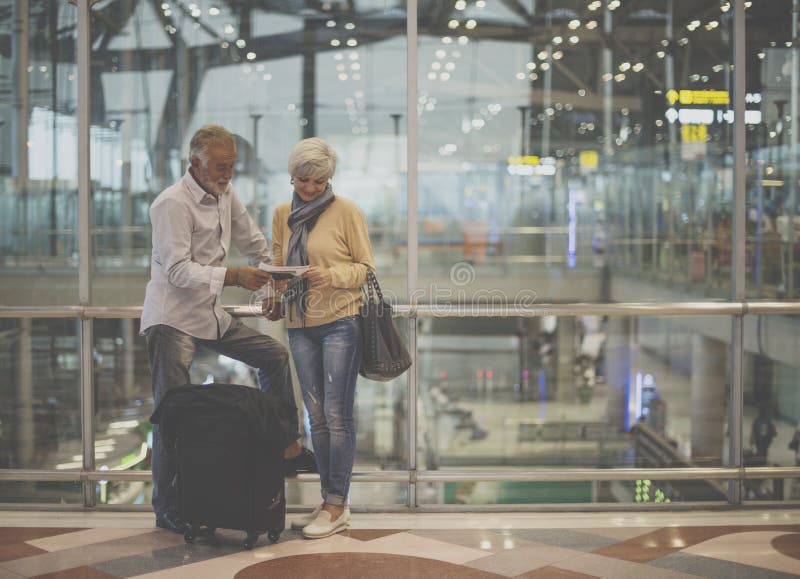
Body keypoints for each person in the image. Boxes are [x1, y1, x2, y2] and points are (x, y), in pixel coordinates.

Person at [140, 125, 315, 534]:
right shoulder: (171, 204)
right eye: (220, 166)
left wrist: (275, 276)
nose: (227, 174)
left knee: (273, 355)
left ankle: (286, 444)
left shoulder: (225, 194)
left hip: (208, 314)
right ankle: (167, 509)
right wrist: (236, 276)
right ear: (194, 164)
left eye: (232, 167)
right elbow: (178, 270)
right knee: (171, 414)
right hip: (171, 320)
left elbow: (252, 240)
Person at [269, 137, 375, 539]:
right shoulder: (283, 214)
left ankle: (336, 504)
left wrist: (329, 275)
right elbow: (279, 266)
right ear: (292, 176)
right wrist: (274, 295)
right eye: (301, 181)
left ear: (329, 178)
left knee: (336, 415)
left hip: (339, 321)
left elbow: (365, 269)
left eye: (317, 181)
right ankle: (329, 500)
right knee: (316, 418)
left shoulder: (346, 212)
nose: (308, 189)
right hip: (299, 324)